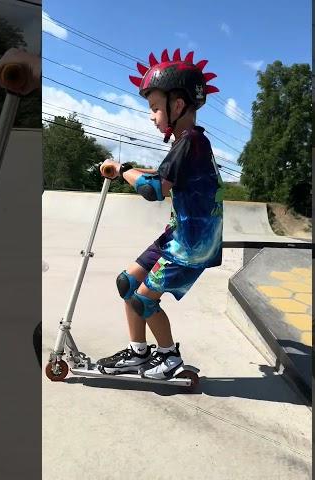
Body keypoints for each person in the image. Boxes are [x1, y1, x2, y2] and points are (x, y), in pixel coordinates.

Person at [96, 48, 224, 380]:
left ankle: (169, 357)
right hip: (176, 234)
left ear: (177, 105)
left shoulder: (191, 142)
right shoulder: (186, 142)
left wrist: (122, 170)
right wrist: (128, 170)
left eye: (154, 108)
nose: (152, 116)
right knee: (127, 283)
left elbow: (154, 190)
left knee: (142, 301)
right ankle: (139, 353)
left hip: (191, 244)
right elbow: (159, 176)